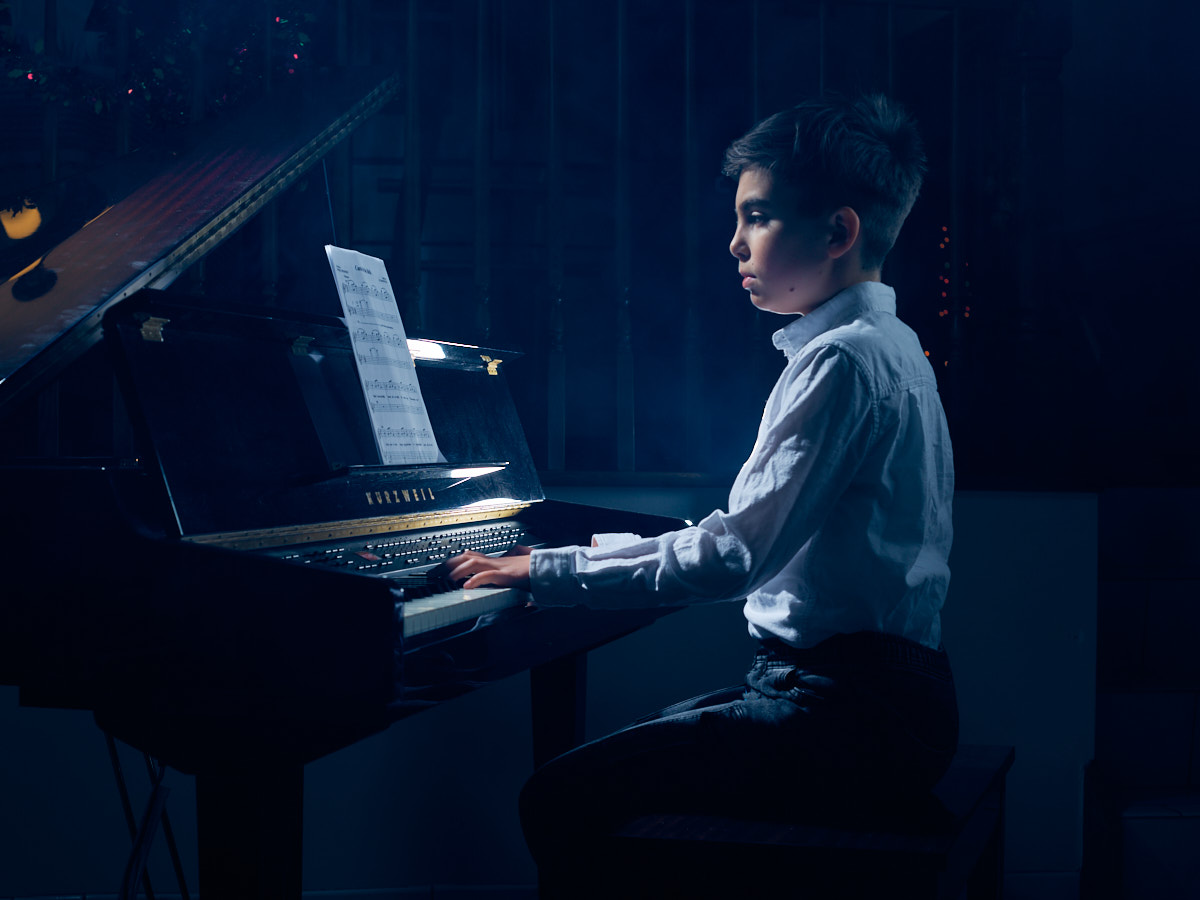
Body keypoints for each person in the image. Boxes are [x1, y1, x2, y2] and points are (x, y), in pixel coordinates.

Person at [442, 94, 957, 894]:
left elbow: (733, 558)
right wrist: (565, 560)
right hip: (883, 699)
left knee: (558, 797)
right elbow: (740, 542)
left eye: (757, 217)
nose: (734, 242)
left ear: (838, 232)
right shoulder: (893, 349)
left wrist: (546, 573)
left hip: (848, 712)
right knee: (630, 759)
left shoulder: (842, 363)